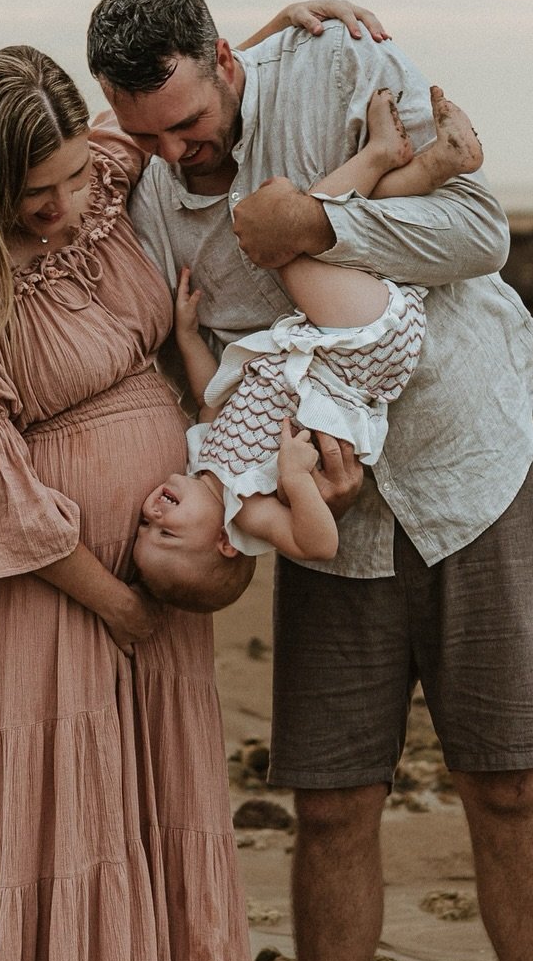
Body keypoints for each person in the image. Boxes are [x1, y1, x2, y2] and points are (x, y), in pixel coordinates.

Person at [88, 0, 533, 961]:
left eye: (191, 120)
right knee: (328, 805)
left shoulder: (337, 68)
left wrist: (313, 229)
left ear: (222, 56)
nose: (178, 152)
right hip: (328, 517)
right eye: (148, 135)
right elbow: (177, 346)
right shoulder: (152, 188)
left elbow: (479, 229)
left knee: (510, 787)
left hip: (473, 468)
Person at [0, 1, 363, 961]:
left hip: (146, 557)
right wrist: (112, 600)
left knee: (128, 814)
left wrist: (280, 27)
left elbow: (173, 100)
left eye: (62, 182)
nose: (58, 210)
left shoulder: (100, 174)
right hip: (43, 587)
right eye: (31, 198)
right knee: (56, 817)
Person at [134, 87, 481, 606]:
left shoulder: (201, 461)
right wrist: (295, 479)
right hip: (357, 356)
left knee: (312, 230)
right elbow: (318, 544)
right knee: (284, 238)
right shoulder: (247, 511)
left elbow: (211, 396)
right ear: (226, 545)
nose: (153, 516)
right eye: (166, 533)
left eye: (145, 527)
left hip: (329, 340)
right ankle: (384, 156)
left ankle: (433, 164)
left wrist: (187, 336)